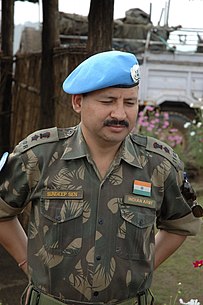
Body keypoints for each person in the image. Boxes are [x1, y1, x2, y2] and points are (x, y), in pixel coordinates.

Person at [0, 50, 201, 305]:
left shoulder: (158, 164)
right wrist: (26, 261)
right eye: (108, 102)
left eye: (129, 102)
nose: (120, 114)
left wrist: (143, 269)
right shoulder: (39, 155)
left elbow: (179, 224)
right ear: (78, 102)